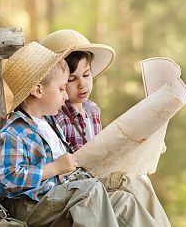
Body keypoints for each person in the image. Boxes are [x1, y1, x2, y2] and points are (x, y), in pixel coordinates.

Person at [0, 41, 161, 227]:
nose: (65, 97)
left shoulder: (49, 122)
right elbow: (9, 179)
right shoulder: (14, 132)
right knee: (91, 190)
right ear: (38, 90)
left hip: (60, 194)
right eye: (61, 89)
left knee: (124, 202)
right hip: (32, 204)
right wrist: (55, 168)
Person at [41, 29, 172, 227]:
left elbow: (103, 150)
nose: (82, 84)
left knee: (138, 180)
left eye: (86, 75)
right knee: (128, 190)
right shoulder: (56, 115)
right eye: (71, 79)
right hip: (80, 186)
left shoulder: (92, 110)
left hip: (98, 177)